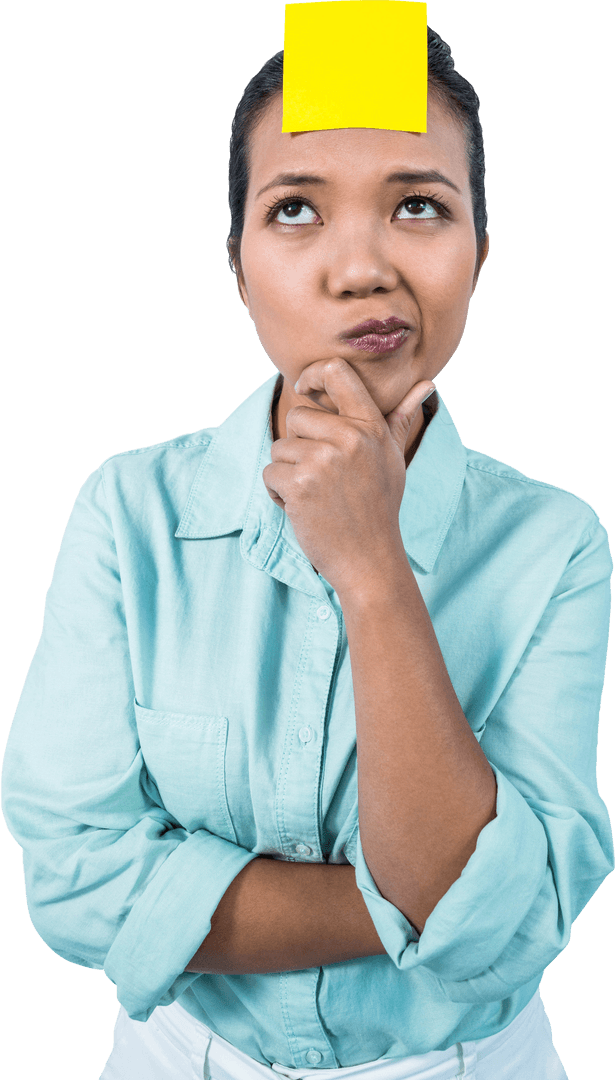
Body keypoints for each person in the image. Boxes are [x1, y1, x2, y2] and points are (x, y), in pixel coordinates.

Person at [1, 25, 613, 1080]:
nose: (363, 266)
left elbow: (508, 946)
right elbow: (76, 888)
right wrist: (429, 905)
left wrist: (372, 566)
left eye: (419, 204)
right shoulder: (127, 512)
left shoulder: (554, 545)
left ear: (481, 253)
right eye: (295, 208)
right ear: (236, 264)